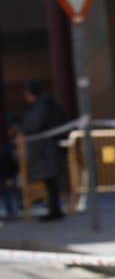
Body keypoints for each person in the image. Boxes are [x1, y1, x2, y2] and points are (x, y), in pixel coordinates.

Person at [16, 80, 70, 221]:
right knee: (51, 181)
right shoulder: (48, 103)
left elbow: (34, 124)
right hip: (49, 148)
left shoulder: (41, 106)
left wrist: (22, 129)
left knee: (50, 181)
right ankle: (54, 209)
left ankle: (55, 210)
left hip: (45, 150)